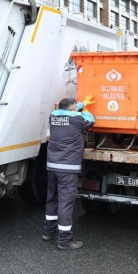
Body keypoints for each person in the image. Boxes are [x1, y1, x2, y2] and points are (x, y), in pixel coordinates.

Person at [42, 94, 96, 250]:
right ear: (73, 109)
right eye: (75, 107)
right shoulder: (77, 120)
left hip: (52, 166)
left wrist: (79, 105)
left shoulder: (53, 116)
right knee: (65, 203)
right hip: (67, 169)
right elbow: (91, 120)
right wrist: (84, 107)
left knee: (52, 199)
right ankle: (65, 240)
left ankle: (48, 231)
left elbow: (66, 113)